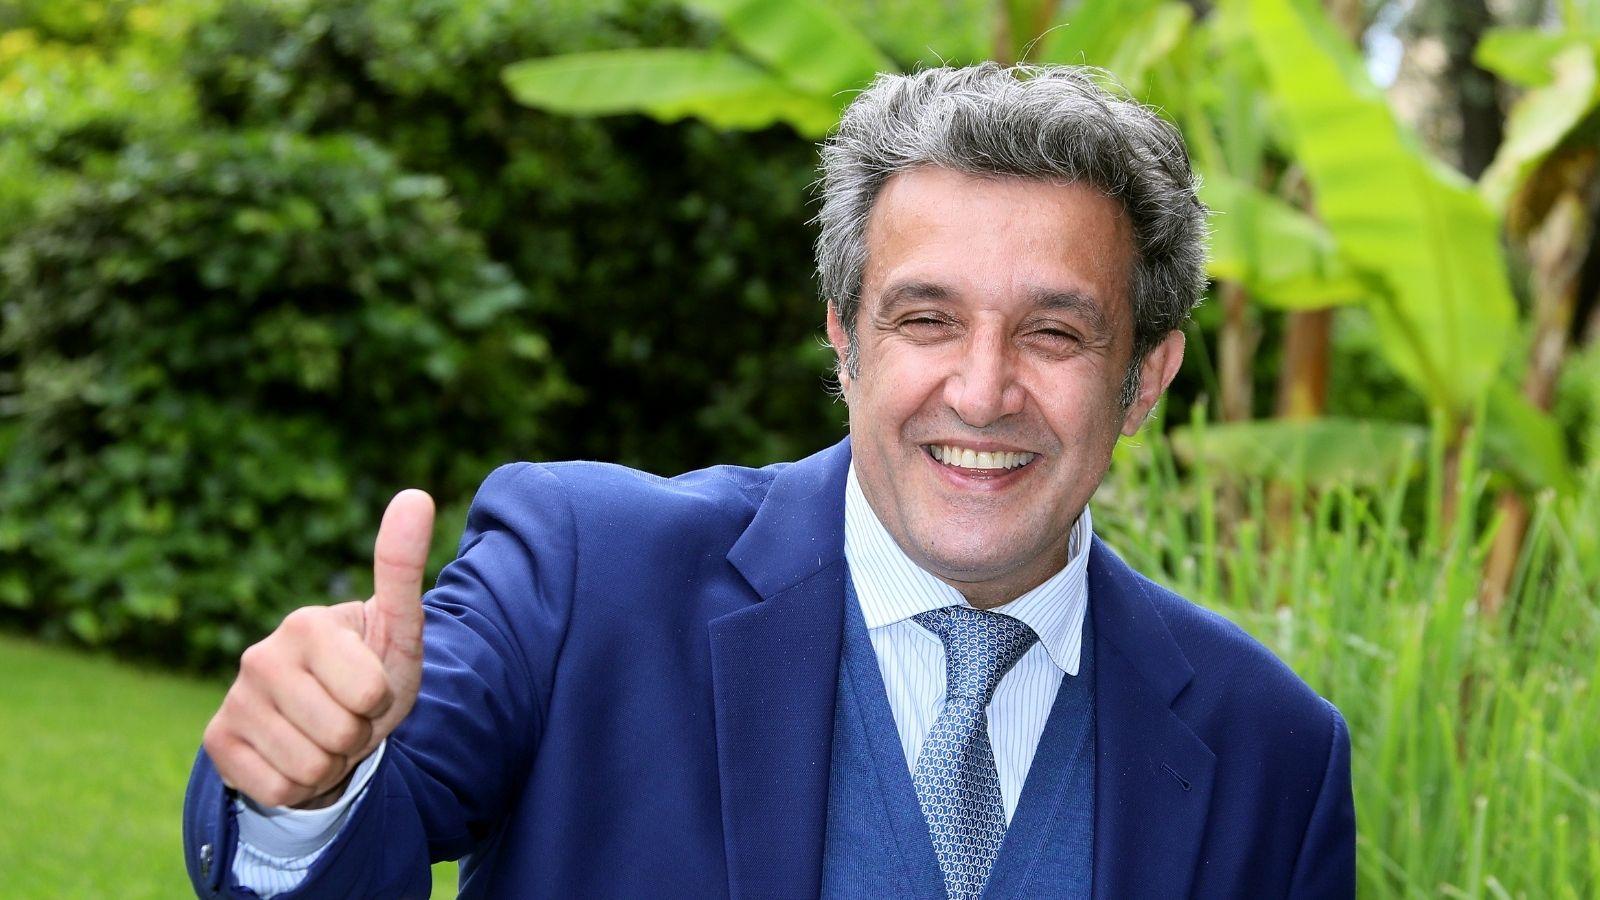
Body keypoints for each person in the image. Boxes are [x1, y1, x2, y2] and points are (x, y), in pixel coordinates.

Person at [185, 63, 1355, 899]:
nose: (982, 390)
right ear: (844, 341)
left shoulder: (1276, 756)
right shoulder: (586, 574)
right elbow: (366, 822)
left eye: (1053, 333)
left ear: (1144, 378)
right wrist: (308, 795)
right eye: (926, 319)